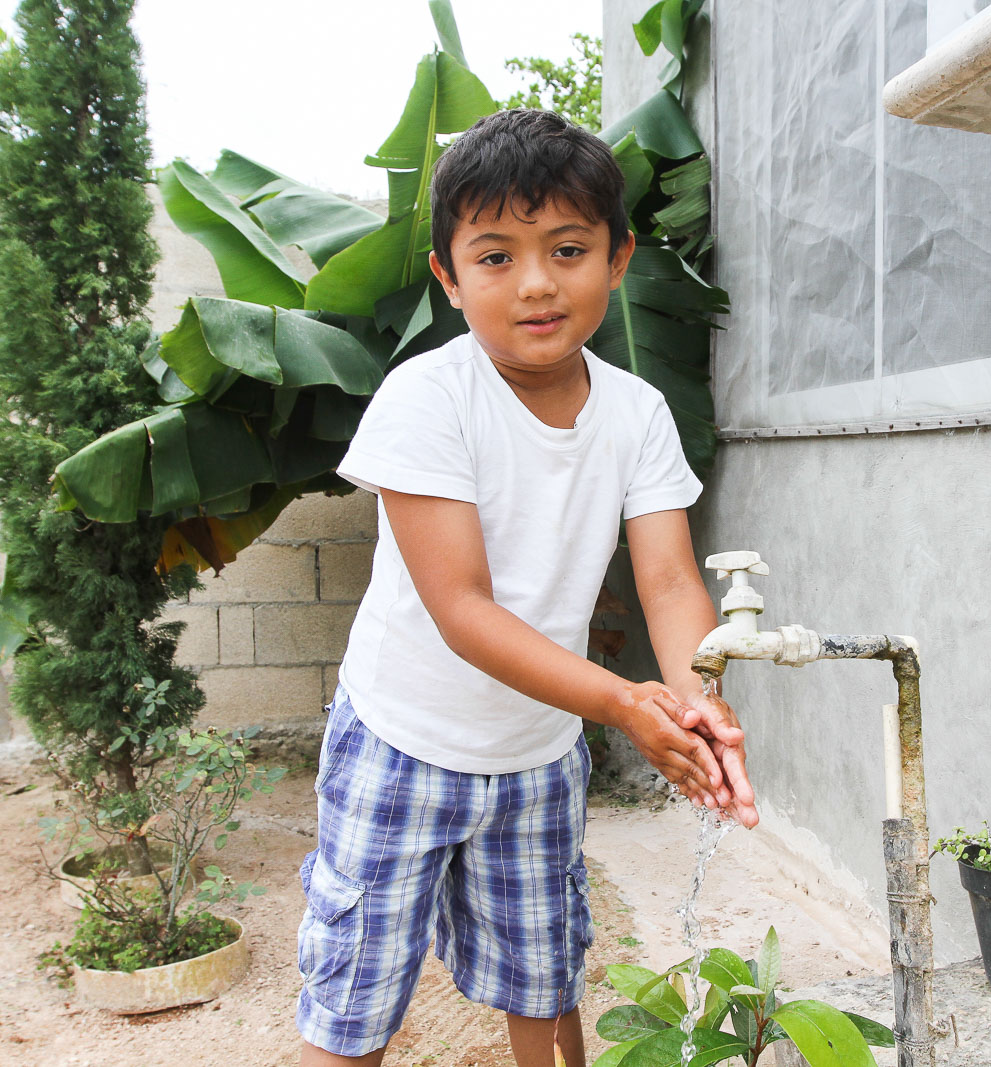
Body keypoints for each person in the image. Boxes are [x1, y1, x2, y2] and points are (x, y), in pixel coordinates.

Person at [296, 108, 757, 1067]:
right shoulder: (428, 398)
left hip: (538, 760)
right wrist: (629, 703)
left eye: (568, 248)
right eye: (497, 256)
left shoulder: (636, 412)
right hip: (402, 742)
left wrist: (696, 700)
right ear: (449, 277)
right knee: (356, 1005)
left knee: (544, 993)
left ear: (618, 259)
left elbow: (670, 582)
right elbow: (462, 609)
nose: (538, 282)